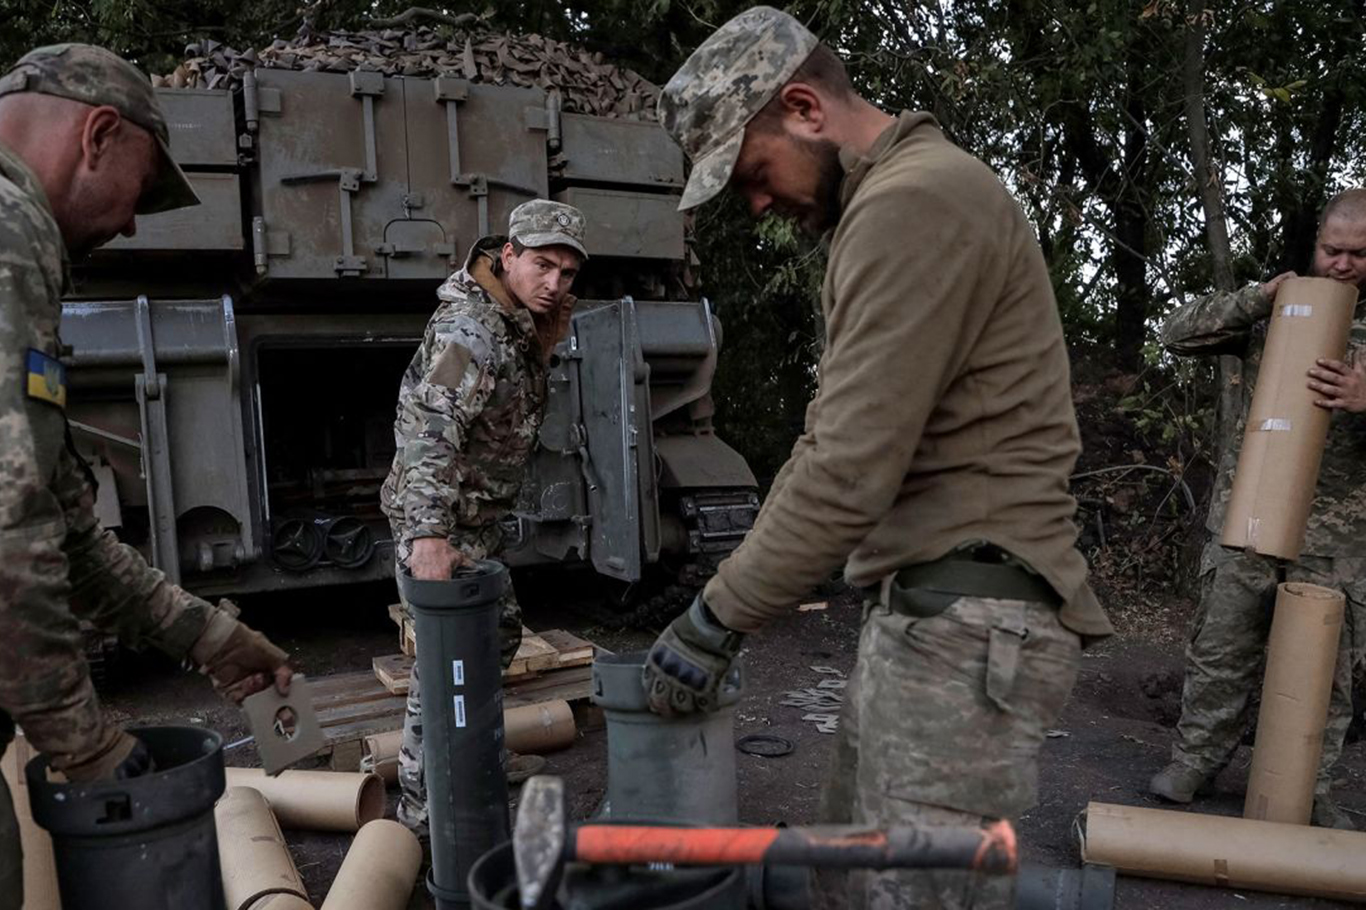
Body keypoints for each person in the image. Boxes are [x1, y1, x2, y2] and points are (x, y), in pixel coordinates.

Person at [641, 8, 1112, 909]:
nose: (756, 203)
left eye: (751, 172)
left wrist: (714, 617)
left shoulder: (912, 203)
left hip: (969, 628)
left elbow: (846, 467)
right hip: (933, 618)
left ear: (805, 107)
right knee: (851, 882)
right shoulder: (902, 202)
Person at [0, 44, 294, 908]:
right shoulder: (10, 235)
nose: (131, 225)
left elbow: (58, 521)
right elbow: (7, 519)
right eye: (141, 188)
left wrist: (204, 634)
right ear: (97, 134)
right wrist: (84, 746)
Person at [1151, 189, 1366, 829]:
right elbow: (1175, 334)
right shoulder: (1277, 311)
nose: (1344, 264)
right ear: (1314, 245)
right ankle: (1193, 766)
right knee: (1220, 650)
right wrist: (1257, 299)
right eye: (1333, 249)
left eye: (1360, 254)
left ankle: (1308, 790)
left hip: (1335, 539)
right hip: (1246, 523)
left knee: (1324, 674)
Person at [379, 199, 585, 838]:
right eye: (543, 265)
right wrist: (429, 537)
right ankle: (418, 814)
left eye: (569, 273)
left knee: (496, 635)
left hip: (476, 519)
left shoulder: (519, 319)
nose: (555, 283)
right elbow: (430, 431)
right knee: (444, 666)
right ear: (510, 255)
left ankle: (477, 757)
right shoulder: (471, 331)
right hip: (442, 517)